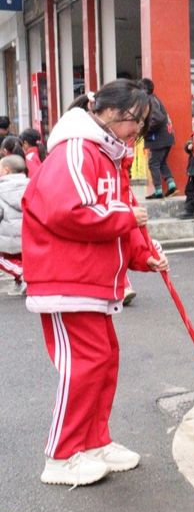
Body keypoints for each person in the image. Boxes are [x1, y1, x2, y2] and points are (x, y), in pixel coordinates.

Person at [21, 79, 170, 487]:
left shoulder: (108, 155)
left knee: (103, 361)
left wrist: (145, 253)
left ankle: (93, 441)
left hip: (90, 281)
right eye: (134, 120)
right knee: (84, 366)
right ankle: (62, 454)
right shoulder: (75, 150)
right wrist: (127, 218)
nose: (138, 130)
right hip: (66, 279)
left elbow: (123, 214)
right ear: (107, 112)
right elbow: (68, 212)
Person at [141, 77, 178, 199]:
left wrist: (144, 130)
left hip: (158, 139)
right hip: (167, 137)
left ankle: (158, 191)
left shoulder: (149, 101)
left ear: (143, 90)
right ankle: (171, 185)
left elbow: (158, 118)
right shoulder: (155, 99)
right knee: (161, 162)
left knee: (153, 163)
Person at [0, 154, 28, 295]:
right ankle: (20, 282)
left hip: (7, 237)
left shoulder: (1, 189)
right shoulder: (31, 184)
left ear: (6, 170)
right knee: (22, 257)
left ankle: (24, 275)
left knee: (4, 259)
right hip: (28, 233)